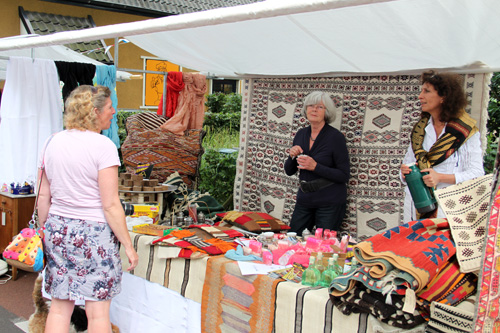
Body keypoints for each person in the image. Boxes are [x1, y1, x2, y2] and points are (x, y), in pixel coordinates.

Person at [37, 85, 139, 333]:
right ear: (94, 111)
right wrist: (127, 244)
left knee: (60, 308)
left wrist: (44, 230)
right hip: (94, 234)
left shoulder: (52, 141)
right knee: (98, 313)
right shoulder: (103, 146)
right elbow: (110, 204)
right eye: (109, 107)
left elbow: (43, 194)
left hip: (58, 229)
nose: (113, 112)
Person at [400, 70, 485, 221]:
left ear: (443, 97)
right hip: (417, 207)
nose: (420, 96)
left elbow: (477, 174)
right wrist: (405, 171)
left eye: (426, 91)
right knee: (415, 243)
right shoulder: (420, 131)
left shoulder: (465, 132)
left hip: (451, 209)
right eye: (421, 91)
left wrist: (440, 177)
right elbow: (407, 165)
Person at [284, 91, 350, 235]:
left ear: (327, 112)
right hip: (305, 199)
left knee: (323, 246)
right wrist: (291, 157)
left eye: (320, 107)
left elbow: (344, 175)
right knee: (293, 239)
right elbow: (289, 171)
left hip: (330, 202)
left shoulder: (335, 137)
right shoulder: (301, 134)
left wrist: (315, 167)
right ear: (305, 109)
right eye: (311, 106)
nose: (314, 110)